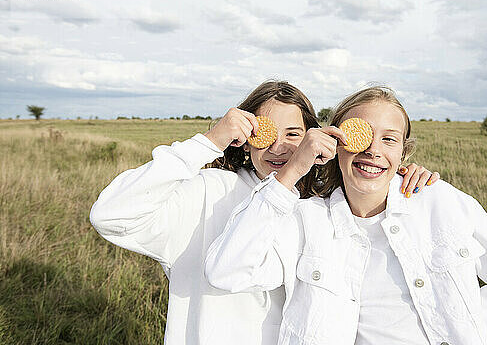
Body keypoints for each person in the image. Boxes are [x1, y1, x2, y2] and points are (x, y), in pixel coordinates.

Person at [89, 81, 439, 345]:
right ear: (243, 135)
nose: (278, 147)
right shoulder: (208, 192)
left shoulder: (320, 208)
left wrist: (399, 179)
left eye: (293, 134)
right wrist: (209, 141)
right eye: (264, 132)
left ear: (314, 139)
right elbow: (110, 215)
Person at [205, 86, 487, 345]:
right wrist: (293, 170)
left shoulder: (441, 201)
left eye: (389, 139)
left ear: (404, 151)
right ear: (335, 144)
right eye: (361, 135)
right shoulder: (305, 221)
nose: (373, 150)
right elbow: (226, 272)